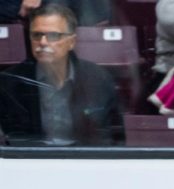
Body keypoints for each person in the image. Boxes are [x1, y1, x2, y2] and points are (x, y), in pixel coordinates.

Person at [0, 4, 122, 145]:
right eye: (36, 35)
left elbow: (114, 138)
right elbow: (11, 141)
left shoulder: (98, 79)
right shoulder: (10, 83)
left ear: (71, 42)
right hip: (32, 161)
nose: (43, 42)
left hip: (85, 161)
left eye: (53, 36)